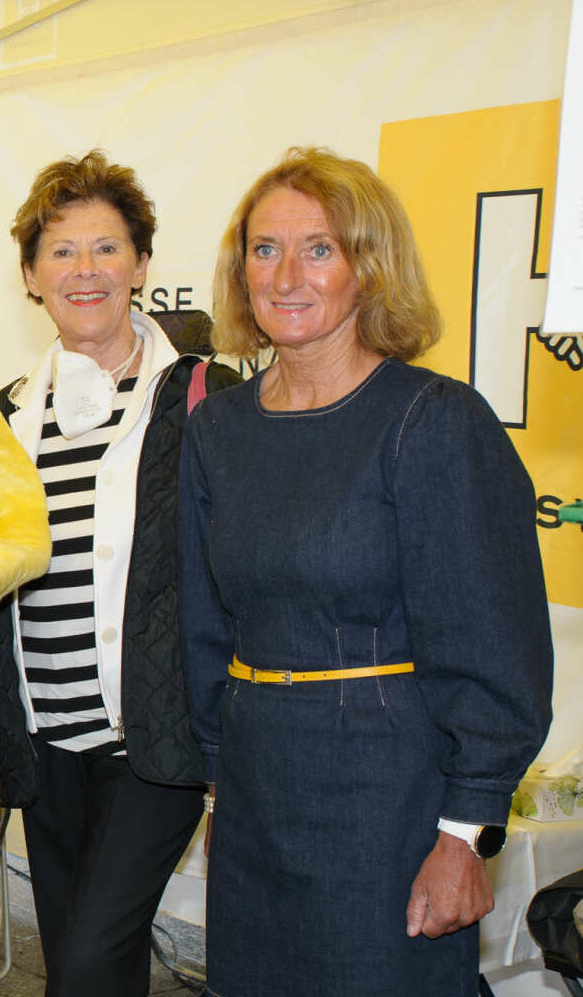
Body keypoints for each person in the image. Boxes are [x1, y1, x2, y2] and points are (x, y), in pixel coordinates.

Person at [181, 146, 554, 996]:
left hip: (387, 796)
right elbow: (206, 627)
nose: (286, 275)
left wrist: (464, 834)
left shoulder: (432, 421)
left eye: (319, 248)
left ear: (368, 265)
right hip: (255, 790)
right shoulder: (218, 432)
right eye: (264, 248)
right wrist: (215, 793)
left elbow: (493, 644)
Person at [0, 150, 240, 997]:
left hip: (151, 745)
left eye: (106, 248)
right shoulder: (3, 414)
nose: (83, 271)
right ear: (29, 274)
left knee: (86, 967)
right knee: (92, 964)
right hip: (40, 741)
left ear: (141, 264)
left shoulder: (203, 397)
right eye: (60, 251)